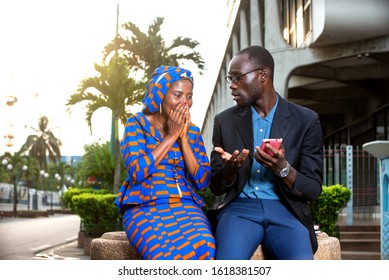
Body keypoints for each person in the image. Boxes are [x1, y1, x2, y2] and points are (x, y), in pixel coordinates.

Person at [209, 45, 323, 260]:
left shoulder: (306, 120)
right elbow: (215, 187)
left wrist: (283, 169)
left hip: (286, 210)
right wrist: (229, 169)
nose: (232, 85)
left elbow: (313, 189)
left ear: (263, 75)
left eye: (237, 77)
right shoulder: (224, 121)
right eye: (230, 78)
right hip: (239, 211)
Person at [114, 65, 215, 260]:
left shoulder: (192, 132)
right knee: (166, 257)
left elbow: (202, 182)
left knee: (206, 247)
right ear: (160, 96)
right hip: (144, 206)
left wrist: (184, 139)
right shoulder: (137, 124)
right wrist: (171, 136)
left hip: (185, 206)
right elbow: (136, 171)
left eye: (189, 96)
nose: (184, 104)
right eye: (177, 95)